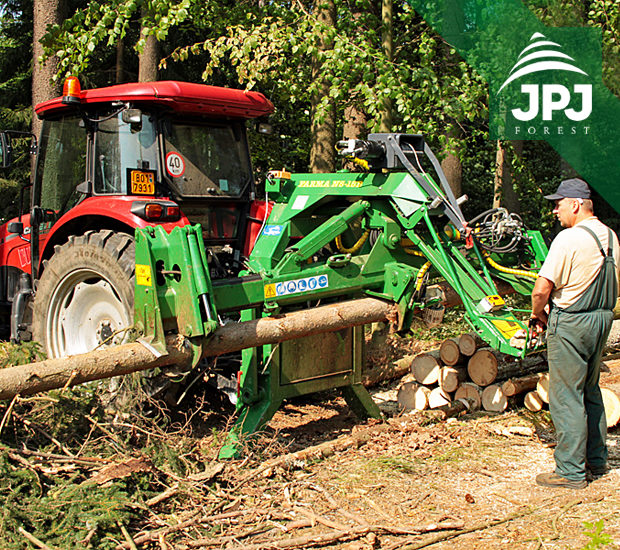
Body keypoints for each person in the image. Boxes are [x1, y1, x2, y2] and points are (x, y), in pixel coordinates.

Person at [530, 178, 619, 489]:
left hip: (572, 322)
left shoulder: (568, 239)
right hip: (603, 320)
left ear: (576, 204)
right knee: (590, 391)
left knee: (566, 396)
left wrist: (537, 314)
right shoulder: (610, 237)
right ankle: (596, 460)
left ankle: (569, 471)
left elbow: (542, 289)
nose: (555, 210)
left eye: (559, 203)